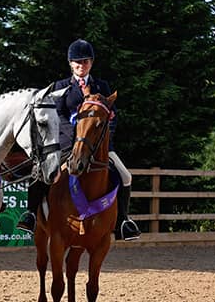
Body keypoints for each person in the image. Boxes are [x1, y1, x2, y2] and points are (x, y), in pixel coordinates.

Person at [17, 39, 141, 240]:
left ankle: (123, 221)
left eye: (85, 61)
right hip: (67, 144)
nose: (81, 65)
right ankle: (31, 214)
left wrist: (101, 137)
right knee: (40, 170)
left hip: (98, 145)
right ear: (70, 64)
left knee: (125, 176)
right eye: (77, 62)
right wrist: (77, 138)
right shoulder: (60, 87)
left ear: (91, 63)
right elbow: (58, 116)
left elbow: (112, 116)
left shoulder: (102, 86)